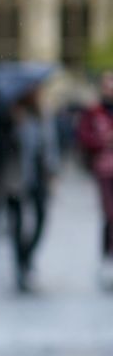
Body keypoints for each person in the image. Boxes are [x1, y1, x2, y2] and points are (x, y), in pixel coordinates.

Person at [0, 86, 59, 292]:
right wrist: (14, 124)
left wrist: (53, 170)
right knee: (16, 224)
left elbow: (50, 144)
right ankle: (20, 266)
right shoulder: (8, 115)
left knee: (41, 218)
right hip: (14, 176)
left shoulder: (43, 114)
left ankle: (26, 256)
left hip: (38, 175)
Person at [77, 71, 113, 289]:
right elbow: (84, 137)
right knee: (110, 215)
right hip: (105, 170)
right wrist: (102, 140)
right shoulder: (94, 112)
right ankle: (107, 258)